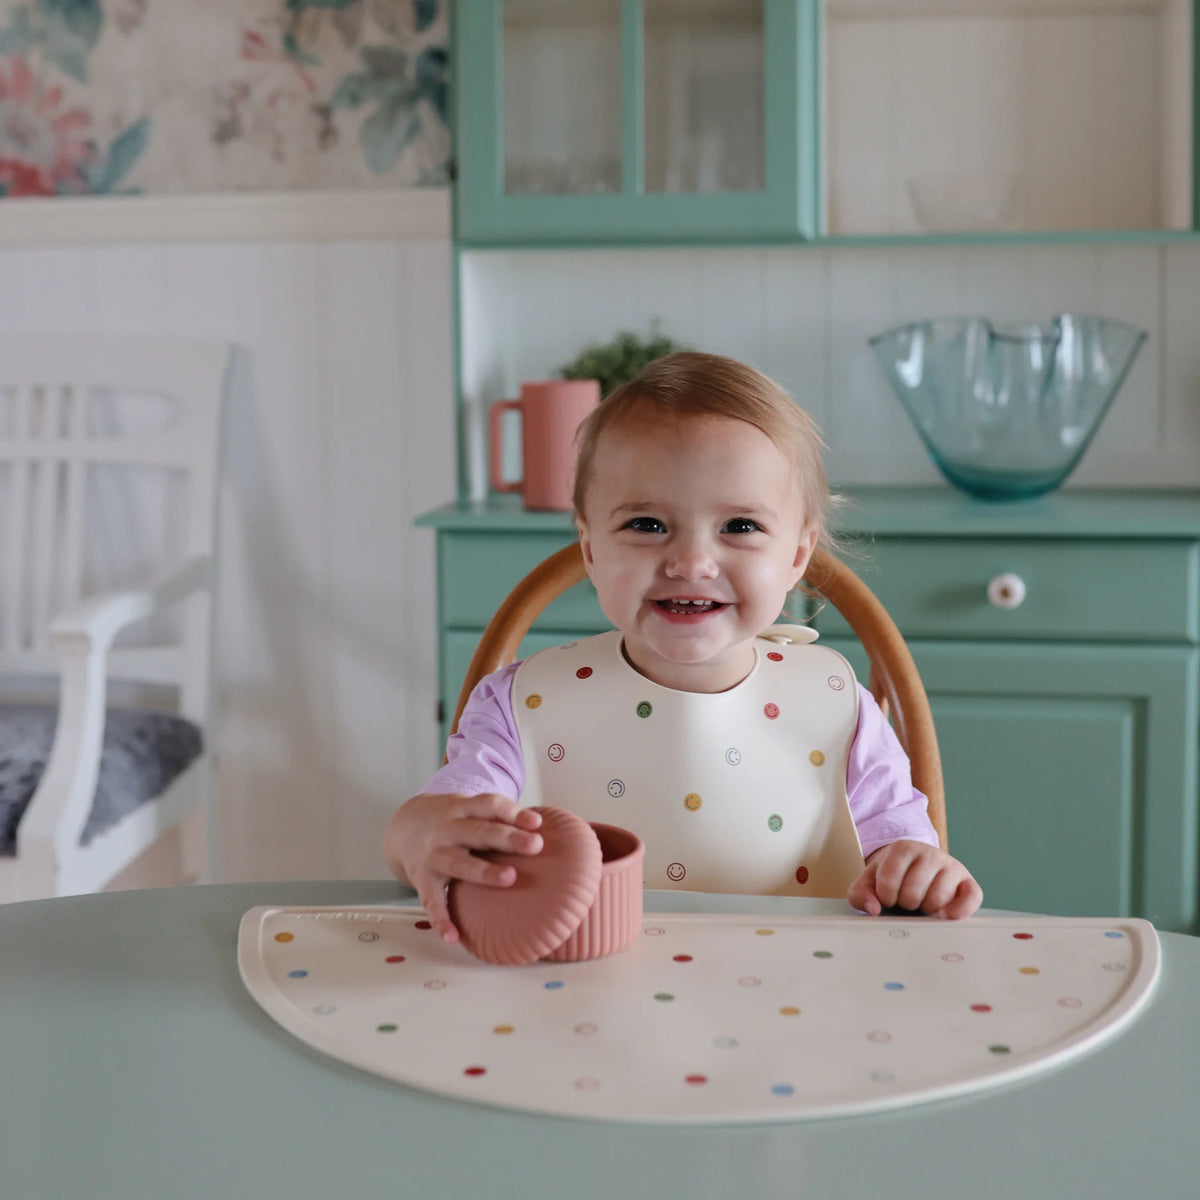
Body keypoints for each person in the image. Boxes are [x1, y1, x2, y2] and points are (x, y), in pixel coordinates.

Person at [385, 352, 982, 941]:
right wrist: (418, 835)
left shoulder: (837, 708)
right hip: (579, 986)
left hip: (799, 986)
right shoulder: (520, 707)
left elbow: (901, 852)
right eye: (646, 525)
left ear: (798, 555)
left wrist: (915, 870)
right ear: (591, 549)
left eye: (740, 526)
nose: (691, 563)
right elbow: (444, 827)